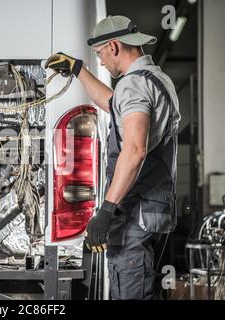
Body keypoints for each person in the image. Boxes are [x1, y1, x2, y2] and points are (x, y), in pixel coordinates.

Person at [45, 15, 181, 300]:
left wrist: (106, 210)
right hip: (155, 213)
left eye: (100, 55)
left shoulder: (133, 85)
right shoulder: (157, 80)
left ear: (114, 46)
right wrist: (79, 70)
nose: (102, 62)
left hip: (135, 214)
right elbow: (113, 103)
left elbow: (134, 150)